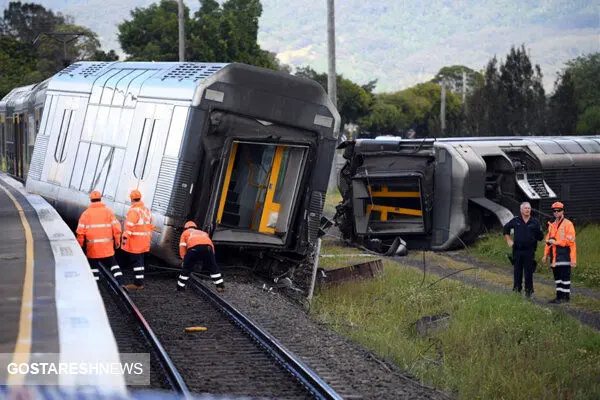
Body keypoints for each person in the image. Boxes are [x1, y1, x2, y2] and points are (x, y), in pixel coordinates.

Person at [76, 190, 125, 286]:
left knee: (93, 266)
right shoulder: (108, 212)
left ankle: (96, 286)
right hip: (107, 248)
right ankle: (121, 283)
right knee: (114, 266)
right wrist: (117, 240)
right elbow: (117, 228)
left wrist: (80, 246)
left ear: (91, 200)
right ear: (100, 199)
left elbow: (80, 232)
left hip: (93, 248)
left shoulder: (85, 214)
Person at [503, 202, 543, 298]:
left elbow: (540, 236)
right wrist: (509, 240)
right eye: (525, 208)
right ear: (521, 210)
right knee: (517, 271)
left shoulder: (535, 222)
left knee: (529, 272)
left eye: (529, 208)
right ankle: (517, 290)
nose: (527, 210)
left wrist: (534, 237)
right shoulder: (516, 220)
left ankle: (528, 292)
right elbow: (505, 229)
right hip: (517, 250)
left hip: (529, 251)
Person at [542, 201, 576, 303]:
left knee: (564, 277)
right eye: (554, 211)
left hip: (565, 254)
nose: (556, 212)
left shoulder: (568, 224)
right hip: (554, 256)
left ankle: (565, 297)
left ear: (562, 211)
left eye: (558, 210)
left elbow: (571, 240)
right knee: (557, 277)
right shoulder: (552, 225)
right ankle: (559, 297)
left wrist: (557, 242)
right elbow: (548, 241)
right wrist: (545, 254)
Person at [177, 221, 225, 292]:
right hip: (208, 248)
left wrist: (184, 259)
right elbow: (211, 244)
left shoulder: (185, 233)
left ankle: (180, 288)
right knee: (213, 267)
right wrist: (212, 256)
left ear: (185, 228)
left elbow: (182, 246)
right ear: (195, 227)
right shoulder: (203, 232)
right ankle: (220, 286)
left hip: (194, 248)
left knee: (186, 268)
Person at [121, 189, 154, 290]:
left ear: (131, 199)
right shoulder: (146, 210)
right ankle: (139, 282)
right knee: (140, 261)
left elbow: (129, 226)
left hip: (136, 241)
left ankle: (138, 284)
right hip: (145, 240)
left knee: (137, 262)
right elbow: (151, 224)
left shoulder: (133, 211)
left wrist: (124, 238)